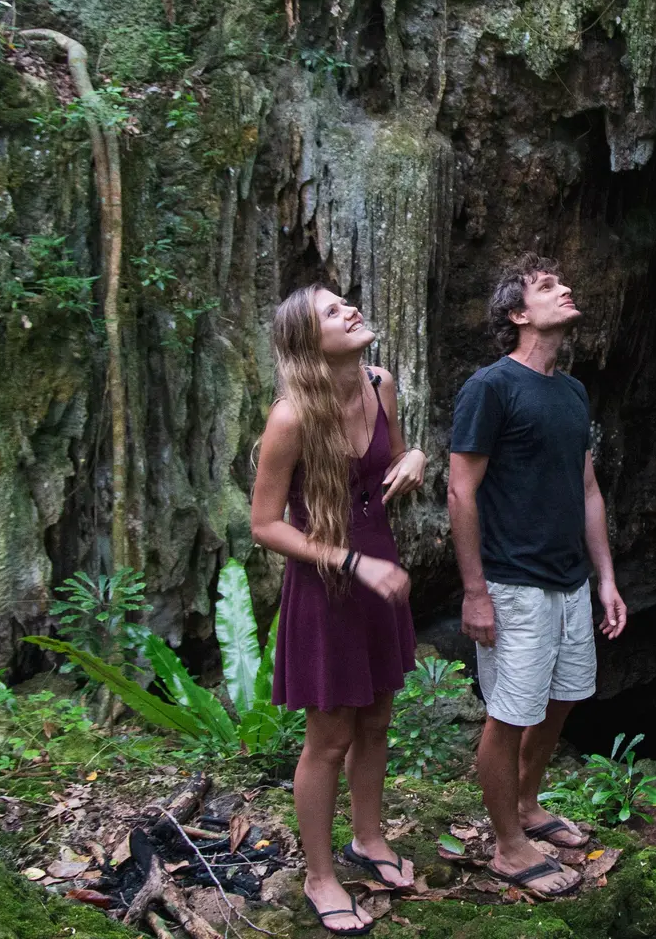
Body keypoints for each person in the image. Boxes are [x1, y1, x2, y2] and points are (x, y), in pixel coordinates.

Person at [448, 254, 629, 899]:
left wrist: (605, 578)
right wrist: (475, 592)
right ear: (519, 314)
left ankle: (527, 804)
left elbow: (587, 489)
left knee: (563, 697)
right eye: (548, 287)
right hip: (512, 582)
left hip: (569, 581)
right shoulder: (490, 388)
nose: (566, 289)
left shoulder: (573, 392)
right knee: (510, 714)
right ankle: (506, 844)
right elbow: (460, 491)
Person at [251, 285, 428, 936]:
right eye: (332, 311)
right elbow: (265, 524)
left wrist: (414, 457)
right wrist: (351, 563)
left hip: (379, 572)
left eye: (345, 302)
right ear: (308, 342)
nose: (350, 308)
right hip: (329, 585)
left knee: (377, 718)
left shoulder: (380, 383)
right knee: (329, 740)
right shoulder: (292, 417)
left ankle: (370, 838)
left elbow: (391, 471)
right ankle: (320, 875)